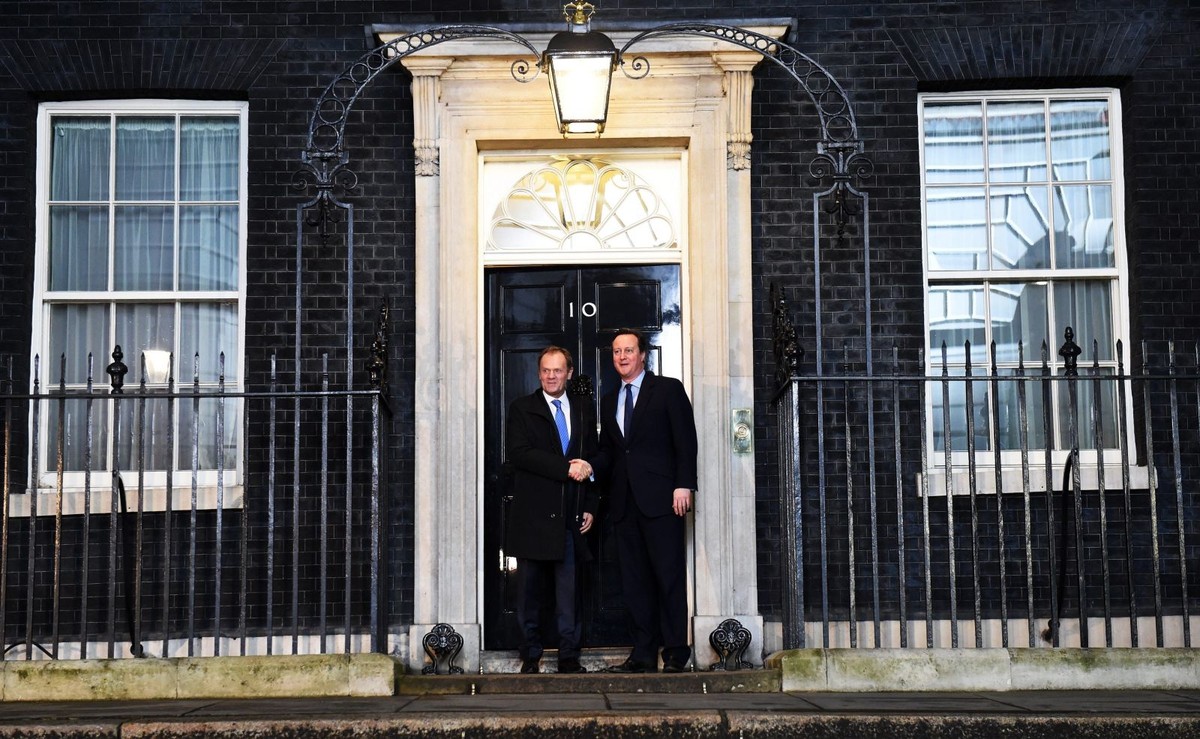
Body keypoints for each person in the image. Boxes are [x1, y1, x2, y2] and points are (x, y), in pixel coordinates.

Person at [586, 328, 698, 673]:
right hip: (624, 503)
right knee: (634, 582)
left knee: (668, 576)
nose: (622, 356)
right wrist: (590, 466)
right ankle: (644, 653)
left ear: (643, 355)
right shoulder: (610, 400)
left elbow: (685, 440)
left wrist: (684, 485)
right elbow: (611, 452)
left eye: (628, 350)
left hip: (663, 500)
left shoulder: (667, 389)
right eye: (617, 351)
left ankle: (676, 652)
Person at [504, 345, 598, 674]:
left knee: (568, 593)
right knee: (529, 593)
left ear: (568, 373)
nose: (551, 376)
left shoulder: (584, 409)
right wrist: (565, 468)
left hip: (571, 516)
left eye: (557, 370)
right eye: (545, 370)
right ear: (539, 373)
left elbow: (592, 458)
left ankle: (568, 656)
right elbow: (519, 453)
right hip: (533, 516)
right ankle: (530, 655)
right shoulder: (522, 408)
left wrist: (591, 505)